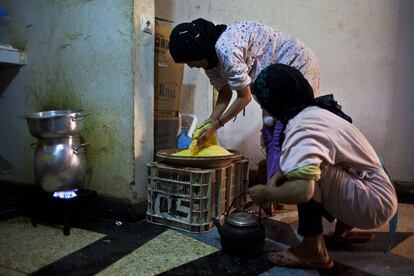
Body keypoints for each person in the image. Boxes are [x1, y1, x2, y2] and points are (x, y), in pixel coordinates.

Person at [247, 64, 398, 269]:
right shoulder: (315, 113)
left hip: (373, 203)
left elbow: (303, 192)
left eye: (264, 104)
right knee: (305, 164)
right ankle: (342, 231)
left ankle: (313, 251)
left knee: (302, 174)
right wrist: (276, 177)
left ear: (276, 102)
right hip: (379, 191)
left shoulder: (301, 128)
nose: (264, 110)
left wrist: (266, 192)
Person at [169, 18, 320, 182]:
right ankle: (275, 187)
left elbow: (244, 97)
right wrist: (210, 121)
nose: (190, 66)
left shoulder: (225, 49)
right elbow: (225, 93)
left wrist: (218, 124)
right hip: (271, 74)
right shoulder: (210, 60)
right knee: (271, 129)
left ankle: (292, 185)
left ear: (197, 51)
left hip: (295, 62)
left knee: (284, 129)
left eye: (189, 61)